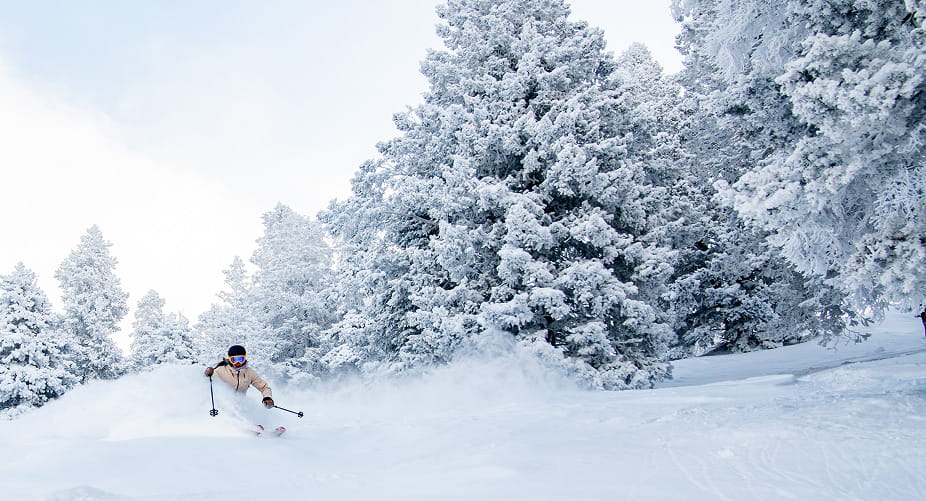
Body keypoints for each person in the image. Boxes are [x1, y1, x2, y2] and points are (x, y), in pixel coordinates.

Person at [204, 345, 274, 409]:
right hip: (222, 407)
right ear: (229, 359)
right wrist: (207, 373)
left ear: (245, 359)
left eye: (240, 359)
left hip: (240, 407)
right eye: (234, 360)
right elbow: (205, 380)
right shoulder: (221, 370)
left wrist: (267, 398)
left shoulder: (249, 373)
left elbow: (264, 387)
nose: (237, 363)